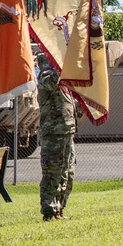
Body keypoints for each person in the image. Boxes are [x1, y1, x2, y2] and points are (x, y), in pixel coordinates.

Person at [36, 51, 77, 221]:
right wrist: (62, 68)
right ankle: (49, 211)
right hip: (53, 133)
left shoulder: (64, 80)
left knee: (67, 172)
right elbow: (52, 82)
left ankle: (60, 208)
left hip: (67, 132)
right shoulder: (47, 75)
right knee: (53, 172)